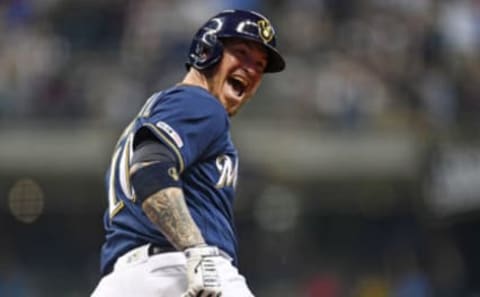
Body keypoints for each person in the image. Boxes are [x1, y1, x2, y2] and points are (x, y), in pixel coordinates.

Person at [91, 9, 285, 297]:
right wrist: (195, 249)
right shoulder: (200, 103)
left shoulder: (156, 112)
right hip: (177, 270)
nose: (252, 69)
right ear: (208, 51)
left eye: (259, 64)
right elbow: (150, 168)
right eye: (241, 53)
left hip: (122, 282)